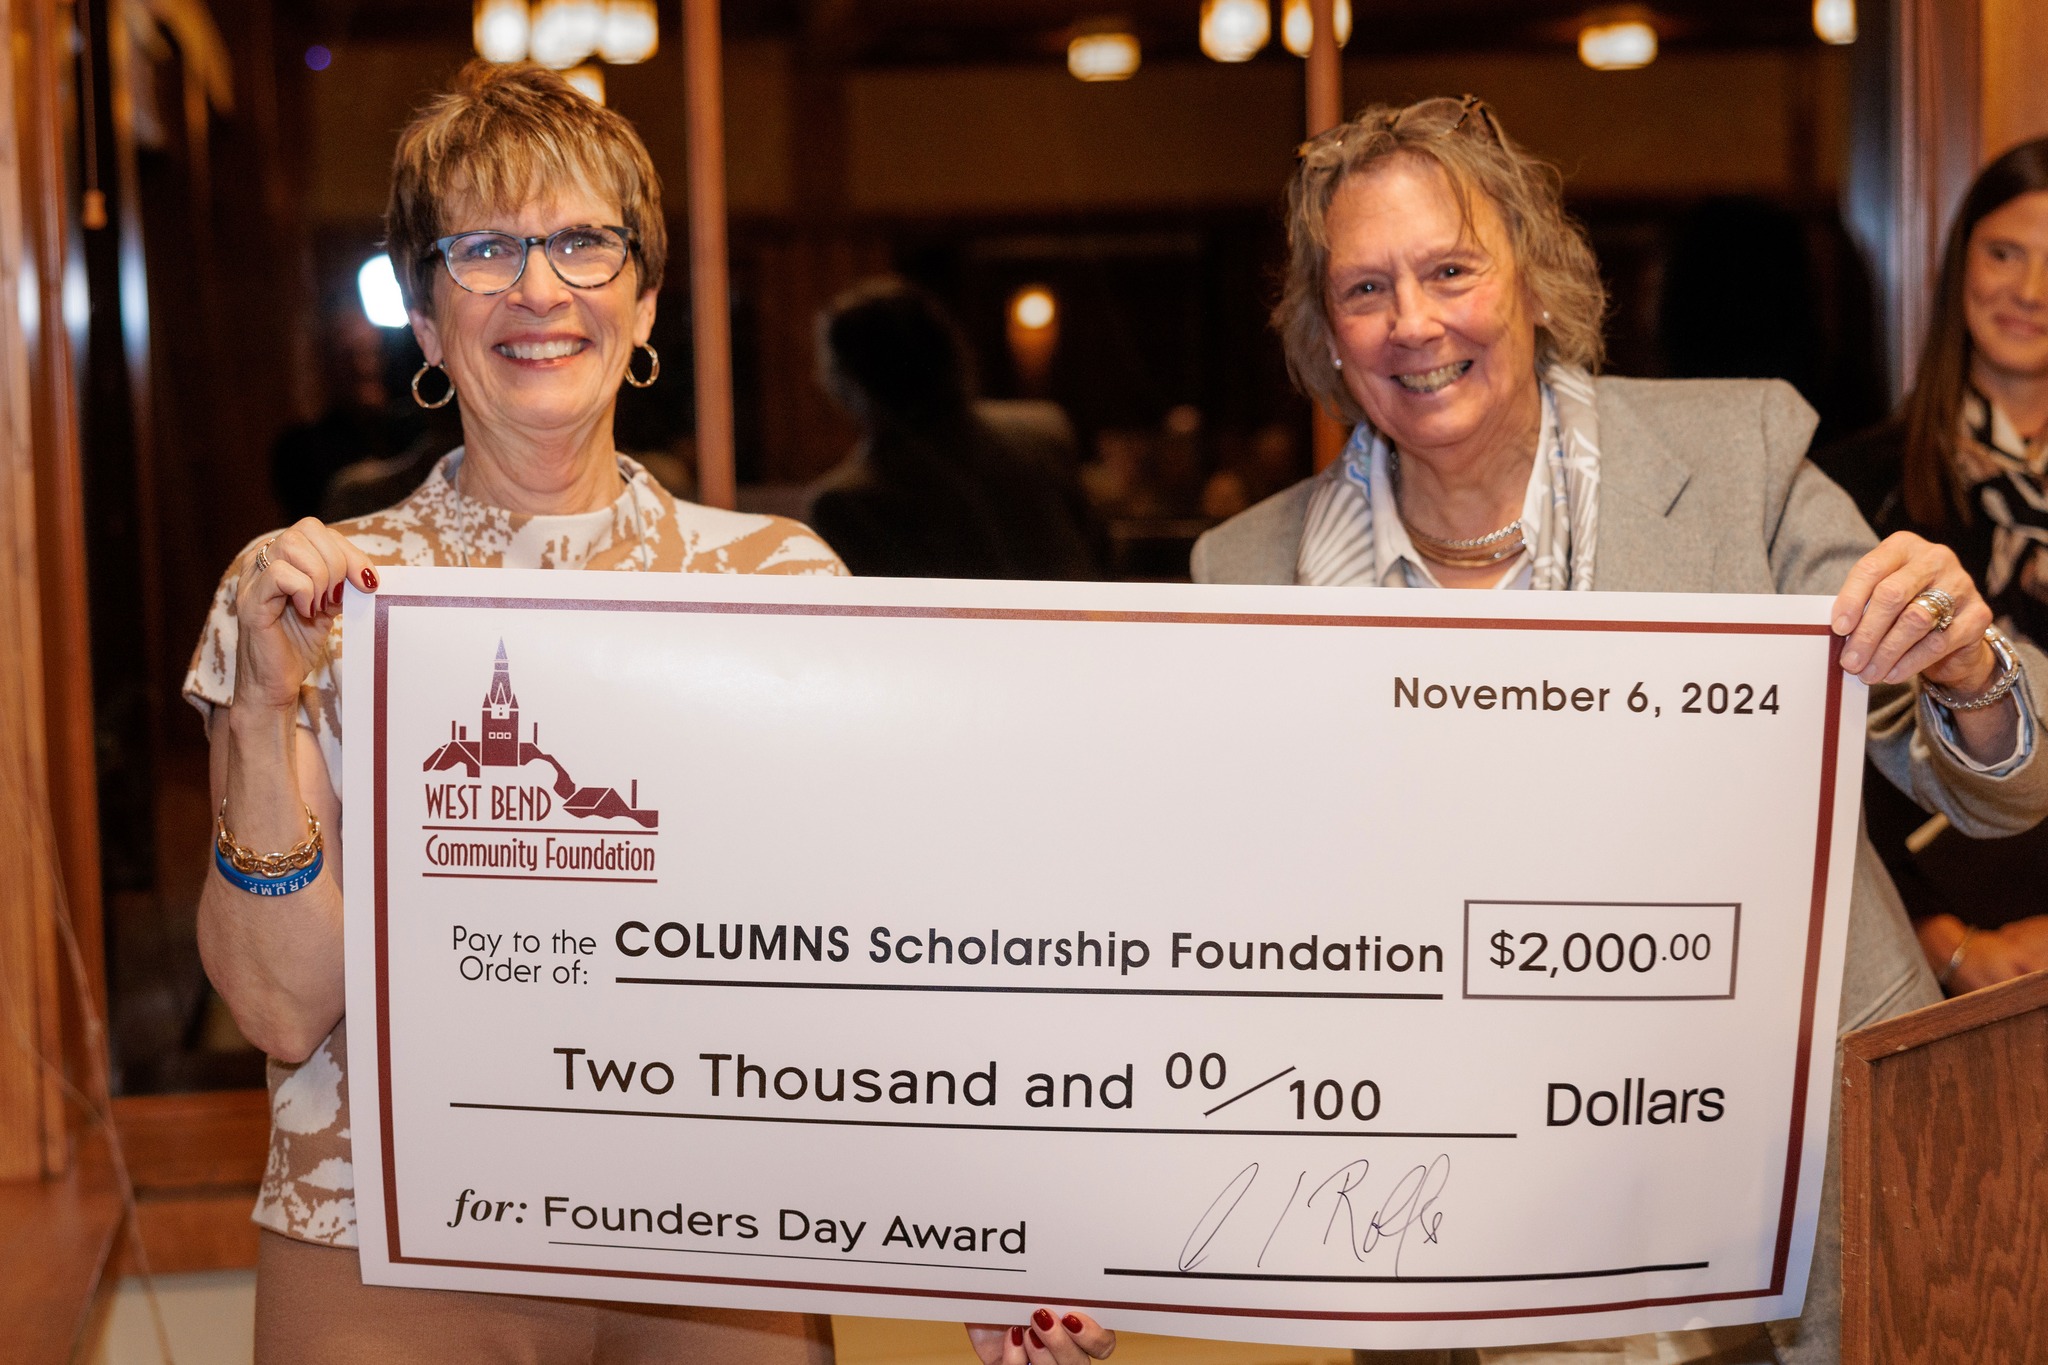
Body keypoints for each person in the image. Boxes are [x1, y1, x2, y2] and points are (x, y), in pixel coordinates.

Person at [185, 62, 1112, 1365]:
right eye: (484, 248)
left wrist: (994, 1233)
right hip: (382, 1231)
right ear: (424, 313)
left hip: (716, 1226)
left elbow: (874, 945)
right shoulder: (308, 592)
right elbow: (282, 1013)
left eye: (582, 242)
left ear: (646, 298)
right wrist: (261, 709)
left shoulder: (780, 581)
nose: (538, 287)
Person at [1191, 95, 2048, 1365]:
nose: (1411, 322)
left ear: (1531, 284)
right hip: (1450, 1227)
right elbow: (1215, 935)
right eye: (1363, 288)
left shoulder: (1738, 456)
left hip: (1796, 1181)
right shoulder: (1245, 571)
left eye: (1448, 270)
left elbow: (1987, 789)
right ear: (1323, 333)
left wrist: (1963, 663)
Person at [1816, 137, 2048, 994]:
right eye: (2004, 253)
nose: (2030, 292)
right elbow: (1829, 754)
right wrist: (1944, 943)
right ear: (1958, 266)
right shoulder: (1850, 487)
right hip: (1921, 967)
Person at [808, 278, 1105, 580]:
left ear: (846, 380)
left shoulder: (847, 501)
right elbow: (1102, 560)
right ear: (952, 349)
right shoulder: (1042, 433)